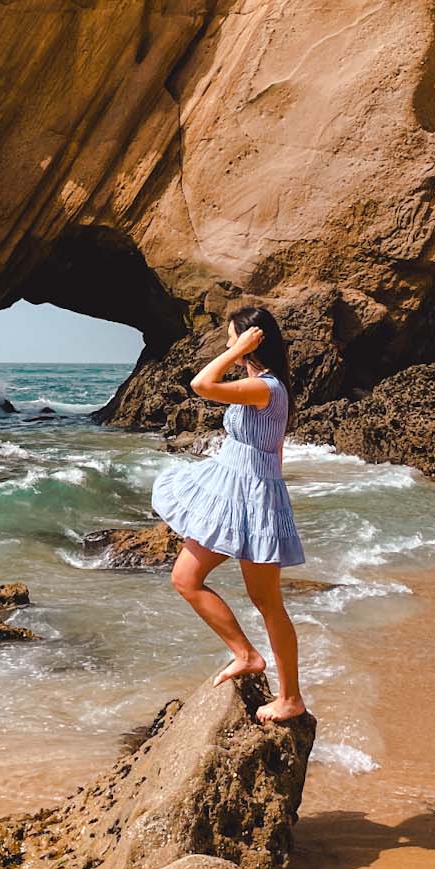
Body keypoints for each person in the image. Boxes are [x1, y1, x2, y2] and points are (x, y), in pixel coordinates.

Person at [149, 304, 308, 723]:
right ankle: (246, 654)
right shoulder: (259, 385)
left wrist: (237, 349)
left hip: (252, 498)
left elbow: (201, 383)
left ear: (252, 339)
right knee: (185, 578)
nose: (225, 343)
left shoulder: (267, 388)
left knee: (268, 602)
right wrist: (239, 350)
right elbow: (275, 449)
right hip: (233, 491)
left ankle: (291, 698)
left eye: (231, 336)